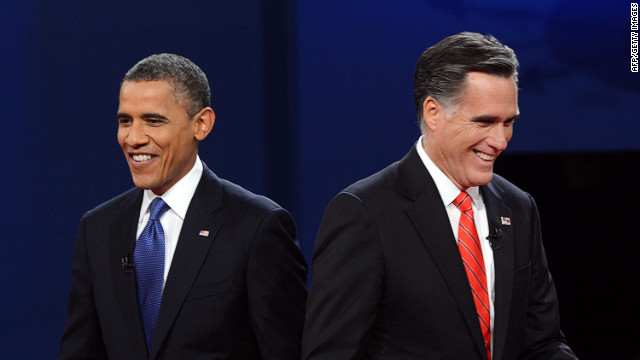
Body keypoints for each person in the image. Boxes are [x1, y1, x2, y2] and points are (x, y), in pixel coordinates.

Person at [302, 32, 577, 360]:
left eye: (508, 122)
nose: (501, 140)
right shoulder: (365, 213)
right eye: (485, 122)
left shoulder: (517, 207)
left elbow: (542, 343)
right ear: (433, 112)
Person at [61, 53, 307, 359]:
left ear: (201, 124)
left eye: (153, 120)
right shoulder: (98, 228)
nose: (133, 138)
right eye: (125, 121)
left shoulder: (257, 227)